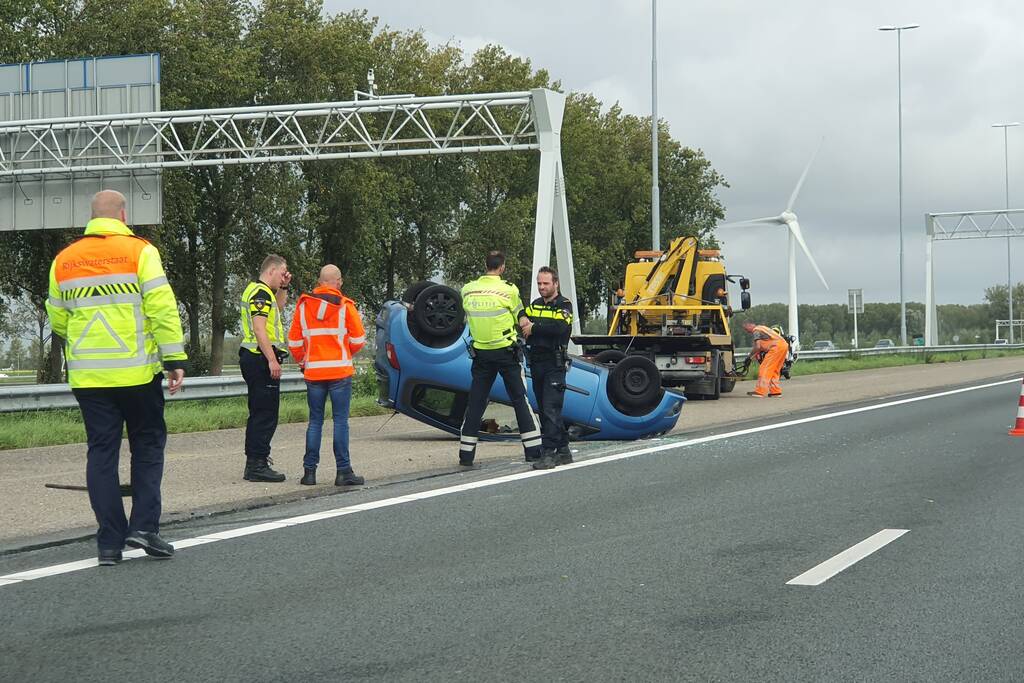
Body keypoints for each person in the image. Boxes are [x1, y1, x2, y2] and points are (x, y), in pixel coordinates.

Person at [45, 189, 187, 566]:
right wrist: (173, 357)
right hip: (136, 373)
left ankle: (109, 543)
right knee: (147, 445)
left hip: (90, 378)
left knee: (102, 453)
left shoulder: (64, 260)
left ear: (92, 217)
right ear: (122, 215)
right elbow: (161, 308)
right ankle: (143, 527)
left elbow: (59, 319)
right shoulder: (140, 251)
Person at [458, 250, 542, 466]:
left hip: (481, 355)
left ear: (485, 265)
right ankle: (533, 451)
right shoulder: (508, 290)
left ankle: (466, 455)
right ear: (502, 267)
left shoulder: (468, 290)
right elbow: (522, 318)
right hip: (506, 353)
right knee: (519, 400)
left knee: (476, 402)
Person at [288, 264, 367, 487]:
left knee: (315, 421)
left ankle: (309, 473)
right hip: (340, 371)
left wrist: (306, 361)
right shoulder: (345, 306)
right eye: (340, 280)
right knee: (340, 421)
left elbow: (294, 343)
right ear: (337, 281)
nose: (341, 284)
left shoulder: (303, 307)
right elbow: (359, 340)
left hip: (314, 372)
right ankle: (343, 472)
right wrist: (344, 352)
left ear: (320, 282)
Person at [239, 254, 291, 482]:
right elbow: (260, 329)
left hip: (255, 357)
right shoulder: (260, 294)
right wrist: (271, 359)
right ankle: (257, 464)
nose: (284, 277)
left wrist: (285, 287)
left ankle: (256, 461)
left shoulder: (261, 291)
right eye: (282, 273)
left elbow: (279, 306)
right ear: (271, 271)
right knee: (265, 414)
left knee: (260, 412)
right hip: (259, 358)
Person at [520, 266, 574, 470]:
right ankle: (564, 450)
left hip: (555, 362)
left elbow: (559, 328)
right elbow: (523, 317)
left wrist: (534, 328)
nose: (542, 287)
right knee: (543, 409)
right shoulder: (535, 305)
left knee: (551, 408)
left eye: (546, 283)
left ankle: (549, 453)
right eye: (539, 284)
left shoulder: (564, 304)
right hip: (536, 361)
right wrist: (523, 320)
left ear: (556, 284)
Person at [742, 321, 787, 397]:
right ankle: (775, 392)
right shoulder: (762, 328)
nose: (747, 332)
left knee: (764, 368)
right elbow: (760, 348)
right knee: (774, 370)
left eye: (746, 329)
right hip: (784, 346)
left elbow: (758, 346)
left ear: (750, 325)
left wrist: (749, 357)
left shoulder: (756, 331)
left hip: (776, 348)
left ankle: (760, 391)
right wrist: (750, 358)